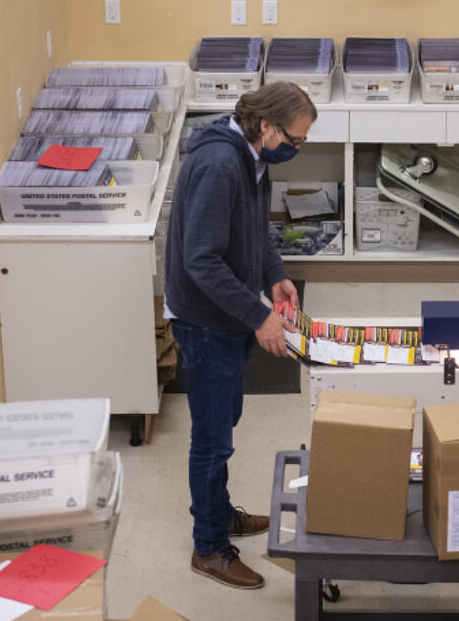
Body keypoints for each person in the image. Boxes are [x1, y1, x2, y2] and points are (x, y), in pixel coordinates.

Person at [165, 82, 317, 590]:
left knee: (225, 422)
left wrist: (274, 273)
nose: (298, 147)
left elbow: (254, 231)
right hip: (206, 322)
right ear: (267, 126)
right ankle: (209, 547)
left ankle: (221, 512)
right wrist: (258, 315)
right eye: (295, 138)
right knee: (212, 441)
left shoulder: (254, 158)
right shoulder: (218, 167)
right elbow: (201, 260)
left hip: (228, 317)